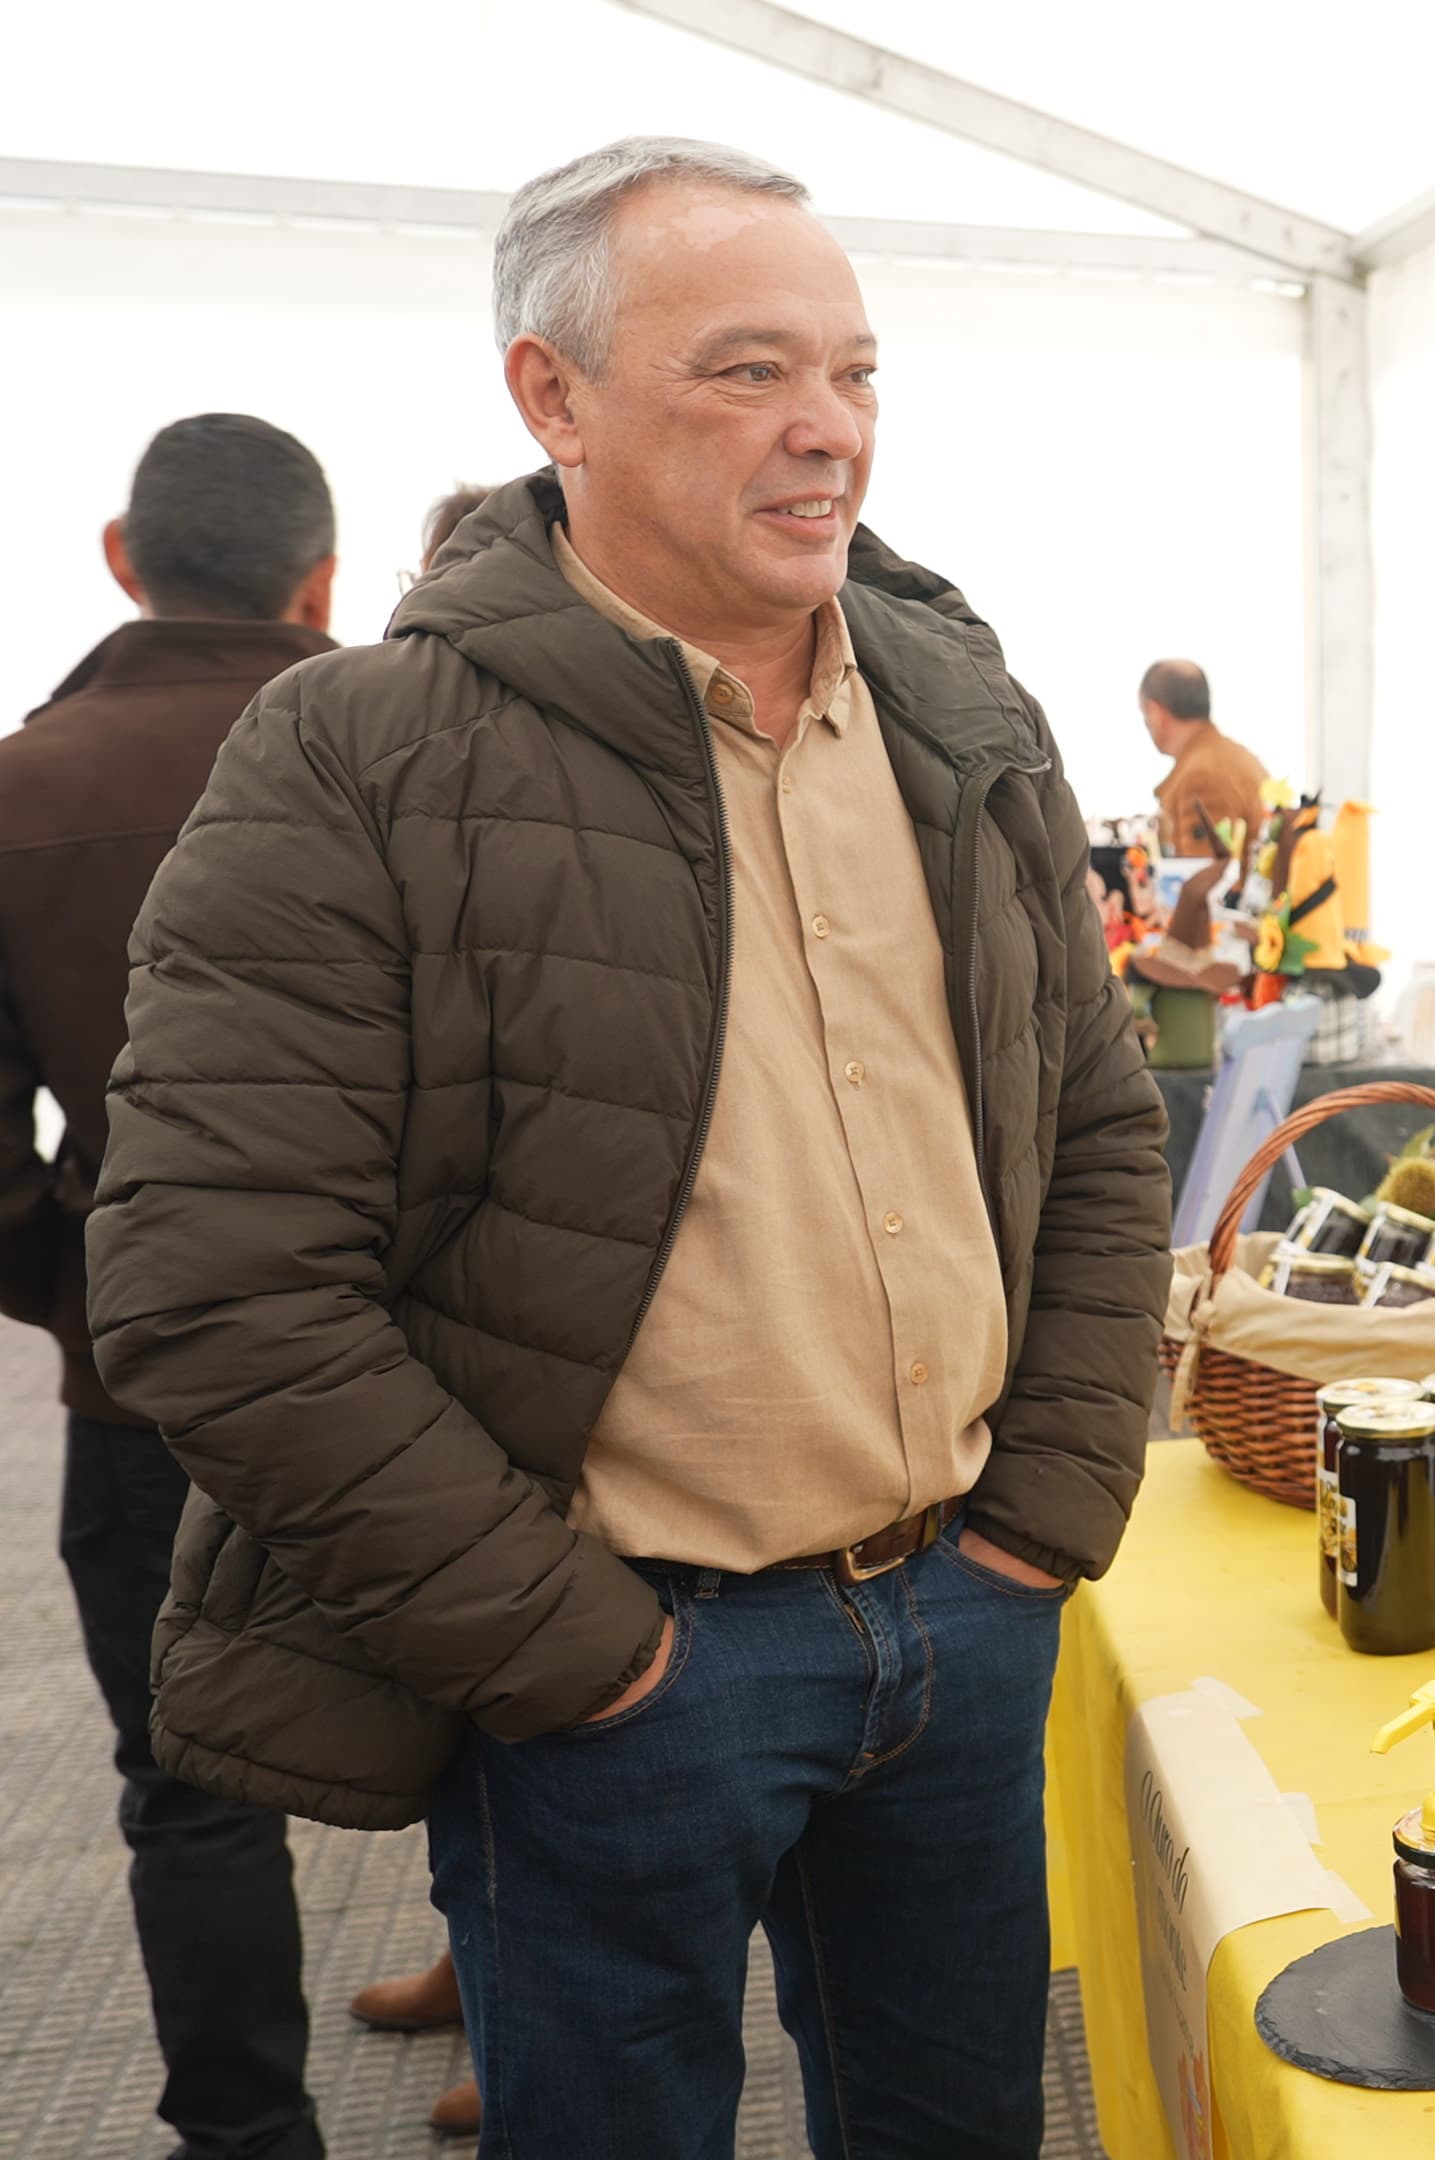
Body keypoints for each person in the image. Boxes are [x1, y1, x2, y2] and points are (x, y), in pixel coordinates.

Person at [84, 135, 1168, 2159]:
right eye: (749, 373)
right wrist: (581, 1659)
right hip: (630, 1665)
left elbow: (1096, 1118)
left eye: (855, 374)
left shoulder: (953, 698)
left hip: (963, 1605)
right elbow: (212, 1281)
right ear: (551, 397)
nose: (826, 431)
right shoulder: (361, 754)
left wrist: (1043, 1514)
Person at [1, 415, 336, 2160]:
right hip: (437, 1365)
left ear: (125, 561)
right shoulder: (416, 747)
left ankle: (251, 2137)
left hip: (153, 1375)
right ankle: (529, 2061)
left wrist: (85, 1280)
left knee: (189, 1790)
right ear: (326, 577)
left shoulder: (23, 783)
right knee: (529, 1731)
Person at [335, 482, 519, 2147]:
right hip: (410, 1371)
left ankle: (507, 2006)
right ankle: (479, 1969)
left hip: (529, 1392)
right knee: (447, 1723)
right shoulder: (362, 766)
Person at [1140, 655, 1270, 857]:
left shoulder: (1200, 778)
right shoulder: (1233, 756)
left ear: (1154, 712)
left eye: (1144, 713)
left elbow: (1204, 876)